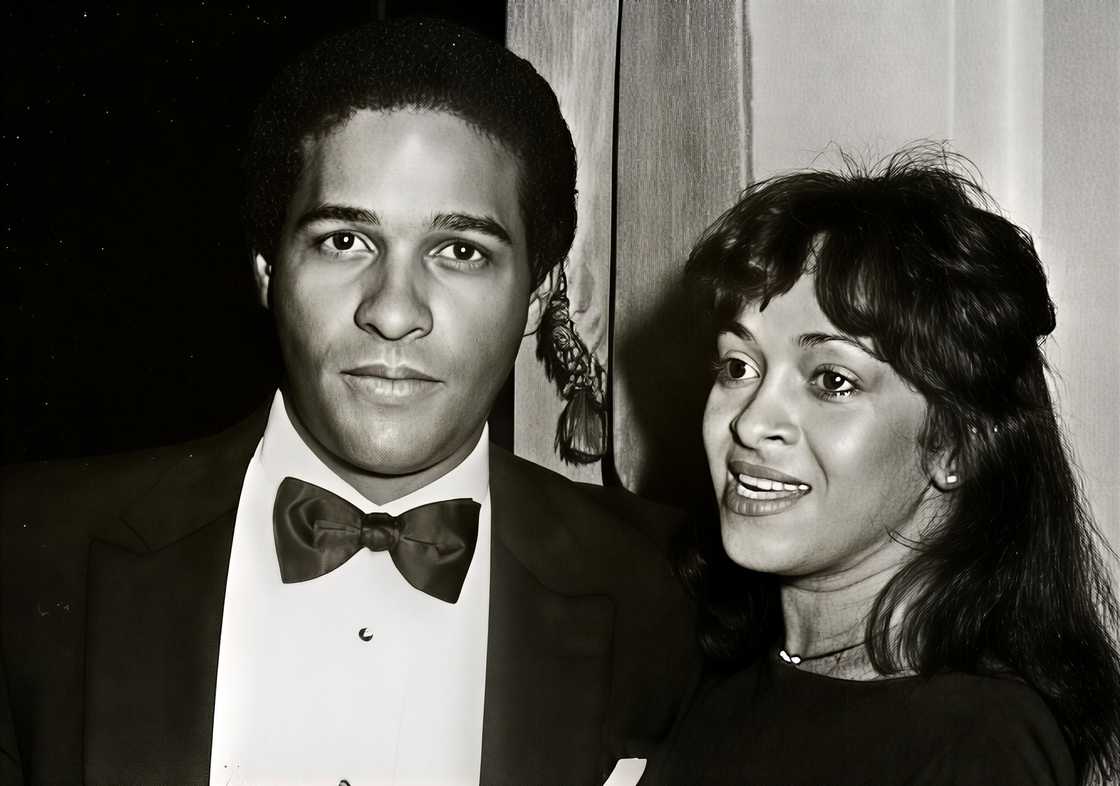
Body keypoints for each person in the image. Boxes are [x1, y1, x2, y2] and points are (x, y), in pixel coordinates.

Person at [0, 18, 696, 785]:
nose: (394, 311)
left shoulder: (673, 596)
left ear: (537, 296)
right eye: (344, 241)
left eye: (460, 251)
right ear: (268, 268)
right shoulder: (30, 556)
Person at [641, 150, 1120, 785]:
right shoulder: (720, 692)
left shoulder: (978, 746)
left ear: (953, 445)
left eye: (832, 380)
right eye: (738, 367)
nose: (751, 423)